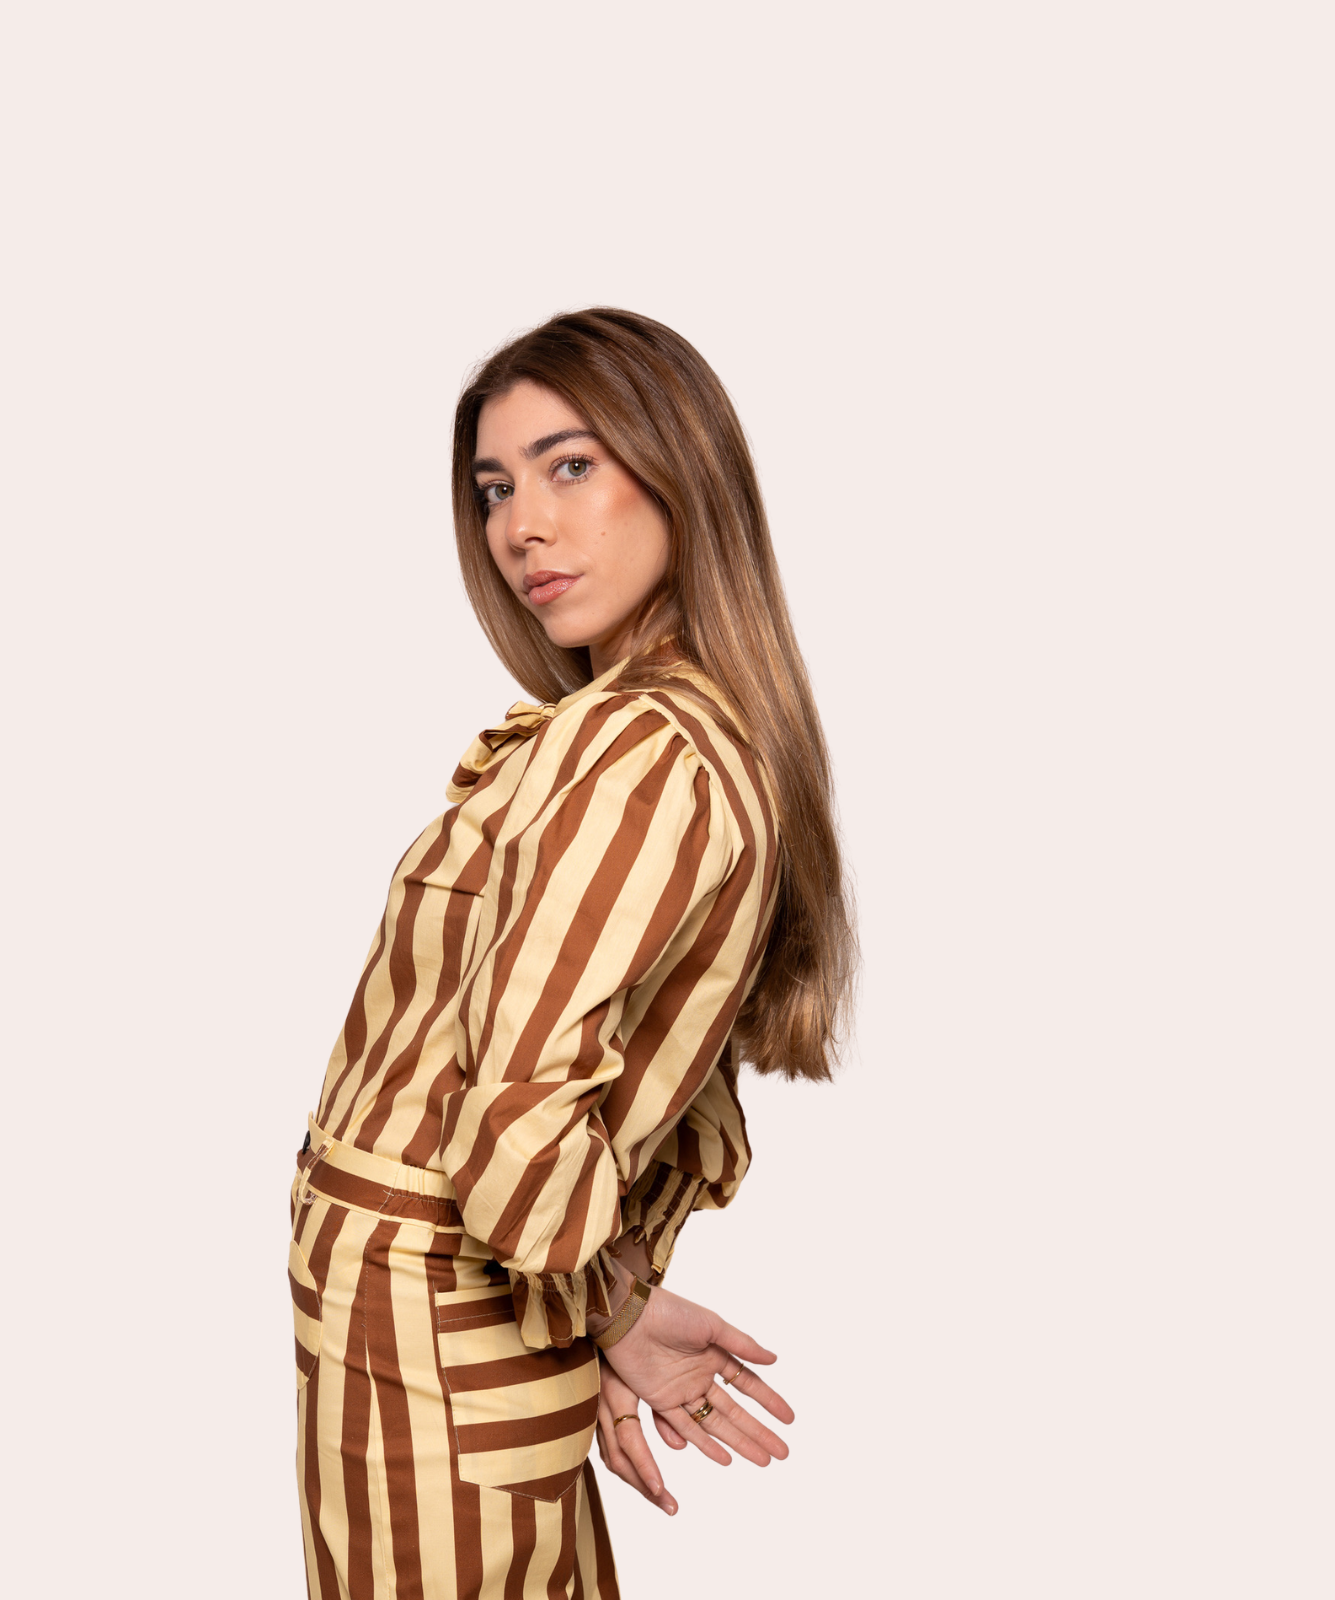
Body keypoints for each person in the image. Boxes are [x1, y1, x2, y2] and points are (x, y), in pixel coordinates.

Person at [288, 308, 855, 1597]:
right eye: (496, 488)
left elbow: (528, 1108)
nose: (521, 527)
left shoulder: (640, 753)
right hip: (458, 1327)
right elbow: (656, 1076)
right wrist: (610, 1306)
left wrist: (599, 1303)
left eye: (570, 466)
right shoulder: (666, 736)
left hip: (431, 1327)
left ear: (681, 467)